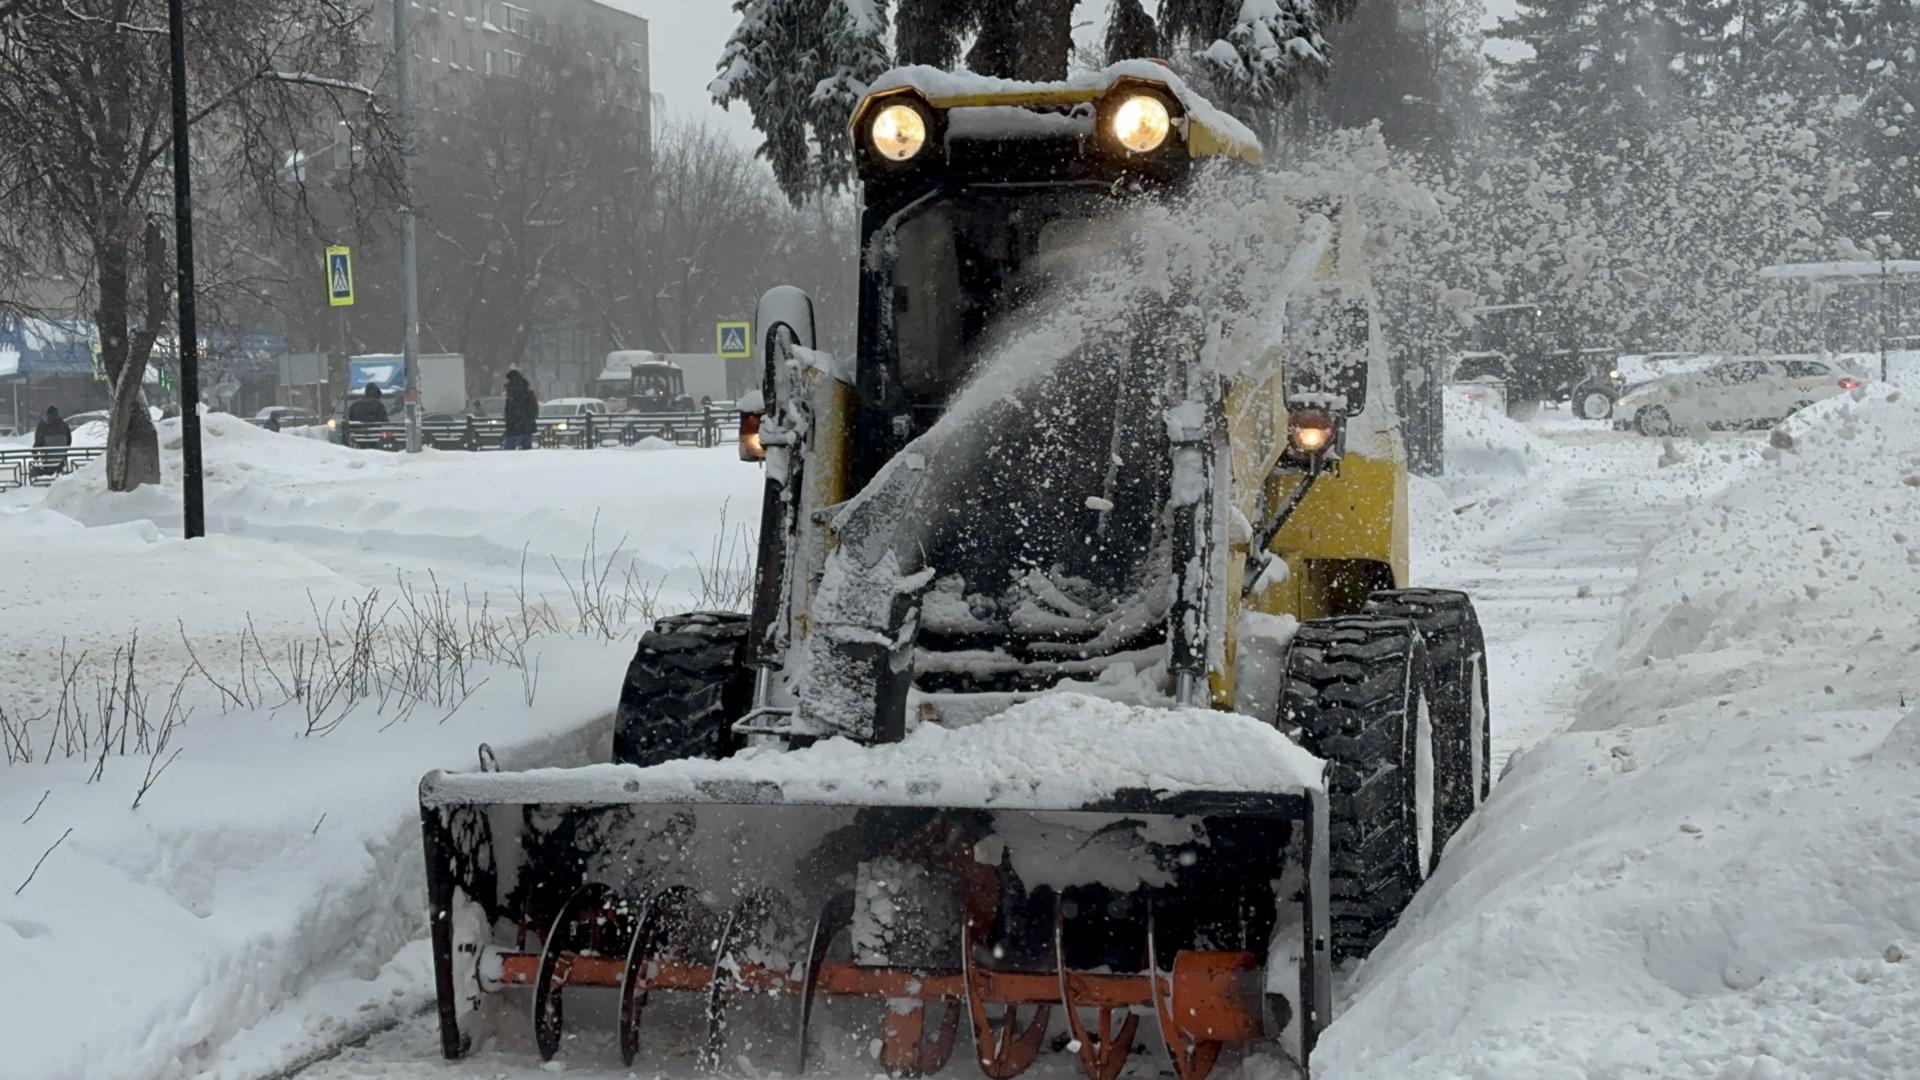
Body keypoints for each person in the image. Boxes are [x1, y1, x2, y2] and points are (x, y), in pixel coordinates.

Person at [30, 406, 72, 482]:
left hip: (47, 457)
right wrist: (64, 450)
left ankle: (42, 473)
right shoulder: (64, 425)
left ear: (47, 414)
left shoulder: (43, 424)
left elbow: (38, 441)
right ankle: (57, 471)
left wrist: (35, 452)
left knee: (45, 461)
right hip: (61, 457)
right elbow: (69, 440)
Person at [502, 370, 538, 450]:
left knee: (509, 452)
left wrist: (510, 422)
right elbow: (534, 410)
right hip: (526, 427)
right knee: (526, 450)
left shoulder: (512, 393)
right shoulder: (528, 393)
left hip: (514, 428)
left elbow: (510, 411)